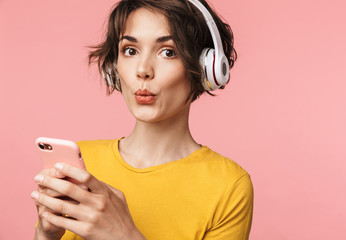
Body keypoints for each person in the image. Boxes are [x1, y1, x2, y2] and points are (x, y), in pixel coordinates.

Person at [31, 0, 254, 239]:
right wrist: (46, 234)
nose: (143, 70)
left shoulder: (229, 185)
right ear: (113, 67)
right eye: (130, 50)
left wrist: (124, 233)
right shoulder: (78, 164)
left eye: (168, 52)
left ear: (206, 68)